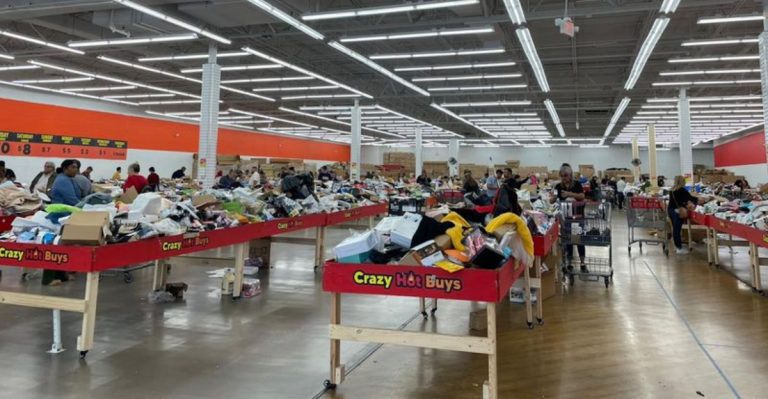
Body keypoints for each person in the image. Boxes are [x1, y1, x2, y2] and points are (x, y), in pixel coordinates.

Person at [550, 163, 587, 273]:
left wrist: (569, 194)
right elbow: (553, 199)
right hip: (565, 218)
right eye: (562, 176)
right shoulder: (558, 186)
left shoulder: (577, 185)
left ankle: (583, 263)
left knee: (578, 239)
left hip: (577, 217)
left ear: (570, 175)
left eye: (566, 175)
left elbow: (582, 196)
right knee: (568, 241)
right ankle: (569, 263)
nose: (564, 178)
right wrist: (553, 198)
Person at [668, 176, 705, 254]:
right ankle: (679, 248)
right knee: (677, 229)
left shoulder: (671, 190)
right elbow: (690, 198)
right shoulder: (682, 190)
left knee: (675, 229)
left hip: (671, 210)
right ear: (682, 181)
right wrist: (701, 199)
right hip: (678, 211)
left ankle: (677, 246)